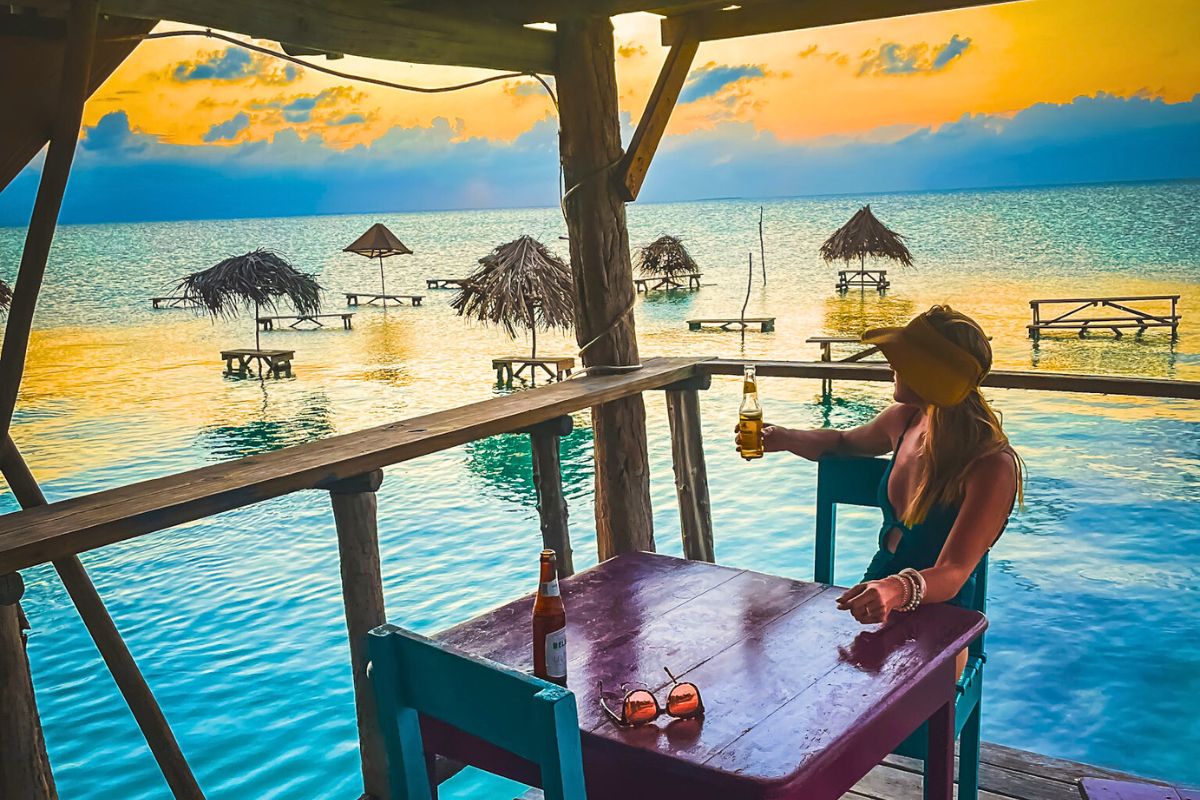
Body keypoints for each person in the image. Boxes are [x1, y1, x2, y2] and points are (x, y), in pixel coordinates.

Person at [736, 305, 1022, 662]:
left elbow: (953, 572)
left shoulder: (991, 464)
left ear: (930, 373)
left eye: (904, 359)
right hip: (877, 589)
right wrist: (783, 438)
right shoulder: (905, 420)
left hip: (946, 619)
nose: (892, 366)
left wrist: (896, 589)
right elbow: (843, 443)